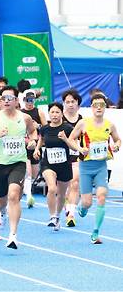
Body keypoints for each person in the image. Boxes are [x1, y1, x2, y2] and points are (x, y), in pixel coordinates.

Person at [0, 86, 38, 249]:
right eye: (3, 98)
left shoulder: (25, 118)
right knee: (1, 200)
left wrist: (33, 141)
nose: (5, 101)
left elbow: (33, 133)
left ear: (16, 101)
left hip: (18, 162)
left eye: (9, 98)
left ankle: (13, 235)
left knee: (14, 195)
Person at [67, 94, 121, 244]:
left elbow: (117, 139)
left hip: (101, 167)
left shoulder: (109, 125)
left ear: (105, 107)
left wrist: (117, 146)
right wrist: (80, 148)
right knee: (87, 203)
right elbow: (71, 139)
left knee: (102, 196)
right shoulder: (83, 124)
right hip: (85, 167)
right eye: (95, 104)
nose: (98, 107)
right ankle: (82, 209)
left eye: (101, 104)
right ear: (91, 107)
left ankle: (95, 232)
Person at [33, 102, 73, 230]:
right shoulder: (44, 128)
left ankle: (57, 216)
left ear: (62, 113)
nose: (54, 115)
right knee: (51, 188)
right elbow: (41, 139)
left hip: (64, 165)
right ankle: (52, 216)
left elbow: (73, 145)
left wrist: (66, 139)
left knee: (61, 194)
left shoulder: (67, 128)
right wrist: (37, 149)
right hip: (48, 163)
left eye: (57, 112)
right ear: (49, 113)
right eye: (52, 112)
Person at [20, 89, 46, 208]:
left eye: (32, 100)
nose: (30, 103)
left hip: (36, 146)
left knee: (34, 174)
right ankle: (29, 196)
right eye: (27, 100)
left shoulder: (39, 112)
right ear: (24, 100)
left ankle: (25, 189)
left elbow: (47, 129)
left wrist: (38, 126)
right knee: (27, 172)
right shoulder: (20, 113)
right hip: (24, 146)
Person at [61, 89, 83, 227]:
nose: (70, 104)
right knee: (62, 187)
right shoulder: (58, 118)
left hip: (76, 157)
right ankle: (65, 204)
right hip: (60, 158)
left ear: (78, 104)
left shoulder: (83, 121)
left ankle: (71, 214)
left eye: (73, 102)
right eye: (67, 102)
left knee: (75, 183)